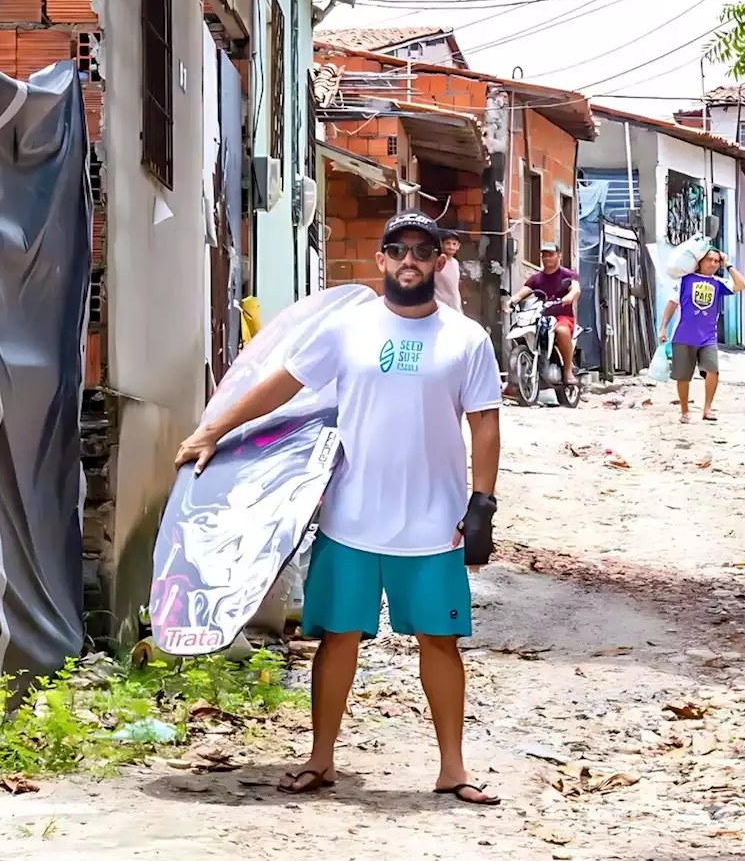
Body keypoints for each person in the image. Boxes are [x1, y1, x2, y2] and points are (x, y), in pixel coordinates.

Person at [174, 210, 503, 806]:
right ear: (380, 260)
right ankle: (321, 759)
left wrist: (482, 505)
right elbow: (283, 384)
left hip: (434, 524)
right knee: (337, 640)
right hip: (350, 518)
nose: (410, 261)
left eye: (422, 252)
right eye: (398, 250)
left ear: (438, 262)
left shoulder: (466, 339)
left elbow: (484, 423)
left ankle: (453, 769)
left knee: (440, 642)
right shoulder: (348, 331)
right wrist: (214, 429)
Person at [658, 248, 745, 423]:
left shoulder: (717, 283)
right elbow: (671, 304)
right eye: (709, 260)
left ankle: (707, 409)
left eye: (716, 261)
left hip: (708, 337)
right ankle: (684, 410)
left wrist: (727, 264)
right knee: (683, 376)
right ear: (699, 261)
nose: (713, 264)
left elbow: (742, 284)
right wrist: (663, 328)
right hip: (683, 335)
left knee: (713, 371)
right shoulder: (684, 281)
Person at [510, 242, 581, 386]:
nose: (547, 258)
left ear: (558, 256)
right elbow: (524, 291)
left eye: (551, 255)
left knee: (562, 331)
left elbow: (576, 288)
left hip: (562, 316)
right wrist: (512, 300)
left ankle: (568, 370)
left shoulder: (567, 274)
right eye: (544, 255)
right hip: (540, 315)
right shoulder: (536, 278)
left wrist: (570, 296)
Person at [436, 231, 464, 313]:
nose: (451, 247)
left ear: (458, 246)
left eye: (454, 244)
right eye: (447, 243)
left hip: (454, 304)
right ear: (442, 245)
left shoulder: (455, 263)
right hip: (439, 305)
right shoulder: (436, 262)